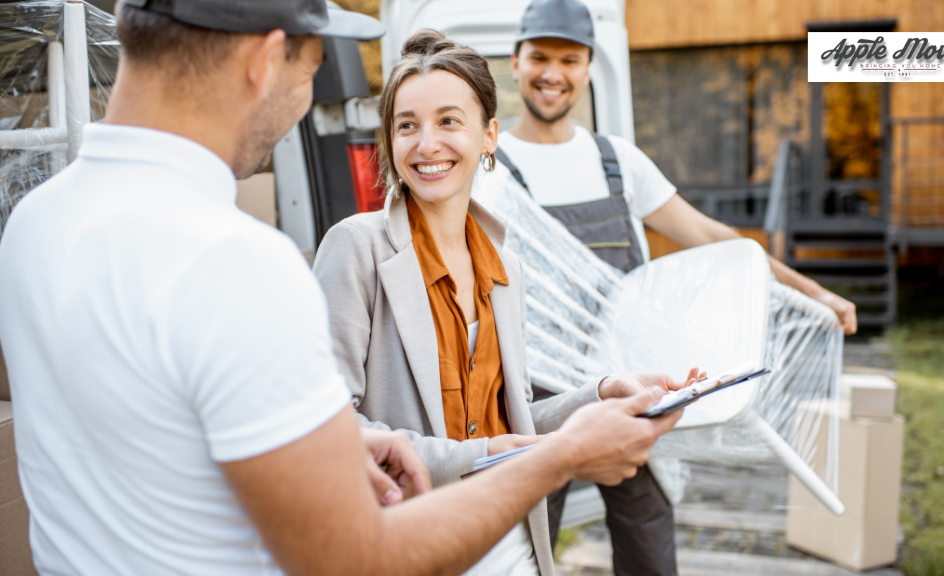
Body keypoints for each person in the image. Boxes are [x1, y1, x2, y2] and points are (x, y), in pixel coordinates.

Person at [0, 2, 686, 575]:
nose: (305, 98)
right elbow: (354, 556)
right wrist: (559, 456)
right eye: (311, 68)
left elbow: (155, 429)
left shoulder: (34, 223)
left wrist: (590, 401)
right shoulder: (238, 261)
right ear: (264, 61)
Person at [473, 0, 861, 573]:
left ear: (587, 68)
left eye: (569, 60)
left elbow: (712, 236)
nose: (552, 73)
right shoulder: (488, 168)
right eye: (539, 57)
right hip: (535, 400)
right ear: (516, 60)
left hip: (630, 389)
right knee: (521, 555)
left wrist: (813, 294)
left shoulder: (616, 161)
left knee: (650, 550)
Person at [312, 30, 702, 576]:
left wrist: (603, 393)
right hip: (414, 546)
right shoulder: (355, 248)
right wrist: (488, 459)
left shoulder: (505, 269)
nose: (427, 144)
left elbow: (515, 424)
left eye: (449, 121)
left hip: (516, 550)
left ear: (489, 135)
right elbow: (327, 431)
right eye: (407, 126)